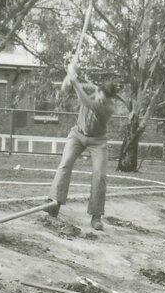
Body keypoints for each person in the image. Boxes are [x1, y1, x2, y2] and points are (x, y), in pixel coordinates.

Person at [45, 62, 119, 231]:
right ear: (98, 90)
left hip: (98, 140)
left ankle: (96, 215)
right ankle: (54, 203)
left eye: (105, 100)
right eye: (100, 96)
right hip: (77, 135)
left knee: (99, 174)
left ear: (110, 100)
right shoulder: (92, 89)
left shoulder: (108, 108)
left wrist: (75, 80)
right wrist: (69, 76)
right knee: (65, 164)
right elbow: (65, 89)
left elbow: (87, 103)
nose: (101, 101)